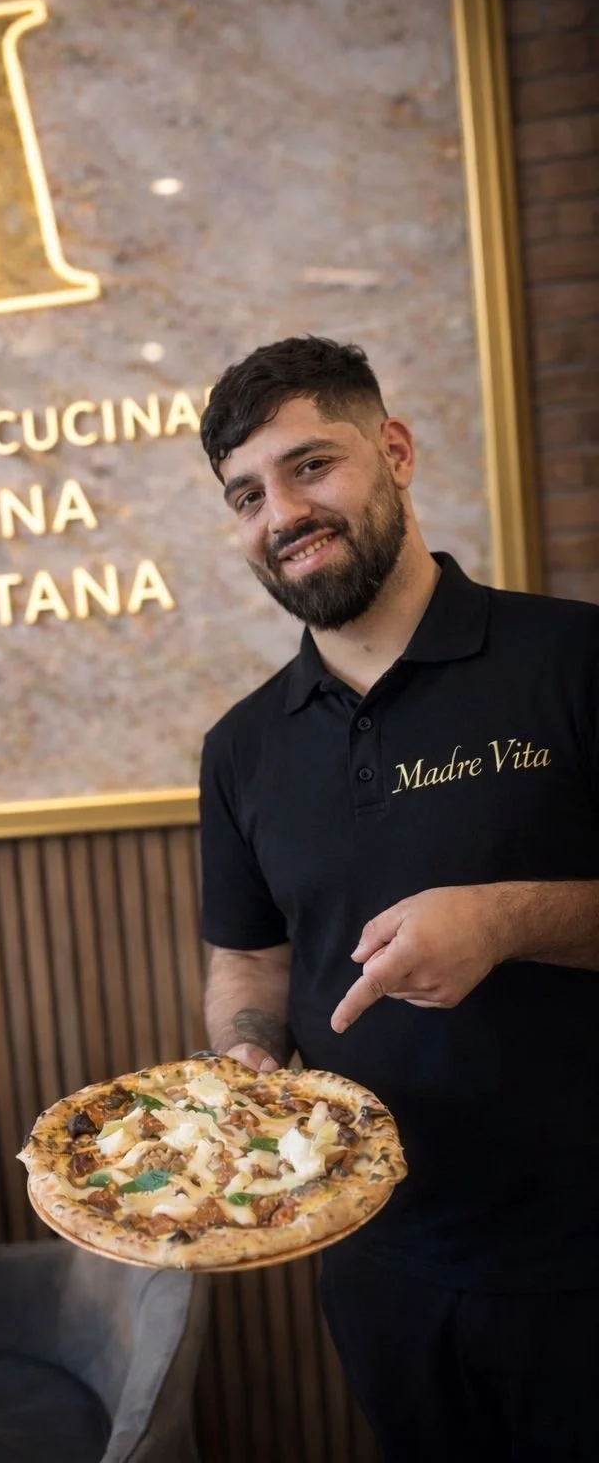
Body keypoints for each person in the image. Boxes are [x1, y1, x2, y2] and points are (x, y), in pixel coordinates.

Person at [197, 335, 599, 1463]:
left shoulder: (570, 659)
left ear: (395, 450)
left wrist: (507, 921)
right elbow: (249, 962)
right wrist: (245, 1065)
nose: (281, 512)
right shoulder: (239, 750)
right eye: (245, 494)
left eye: (309, 466)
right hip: (377, 1259)